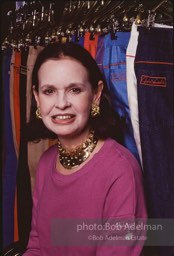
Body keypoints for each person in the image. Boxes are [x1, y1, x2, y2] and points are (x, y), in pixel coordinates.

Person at [23, 42, 147, 256]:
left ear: (96, 94)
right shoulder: (46, 162)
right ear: (36, 97)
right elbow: (36, 247)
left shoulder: (120, 170)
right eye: (49, 91)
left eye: (74, 90)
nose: (61, 103)